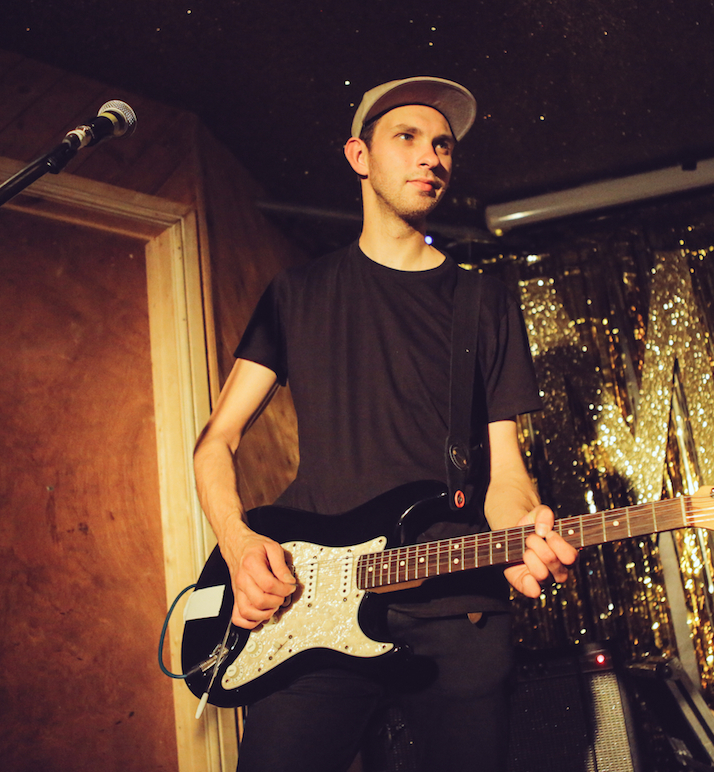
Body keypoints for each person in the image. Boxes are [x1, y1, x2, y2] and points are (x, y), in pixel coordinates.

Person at [193, 77, 578, 772]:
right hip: (313, 606)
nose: (431, 156)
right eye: (407, 138)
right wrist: (240, 543)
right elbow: (216, 442)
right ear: (359, 156)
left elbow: (506, 474)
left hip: (460, 606)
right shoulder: (296, 294)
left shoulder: (483, 302)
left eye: (443, 145)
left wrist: (525, 535)